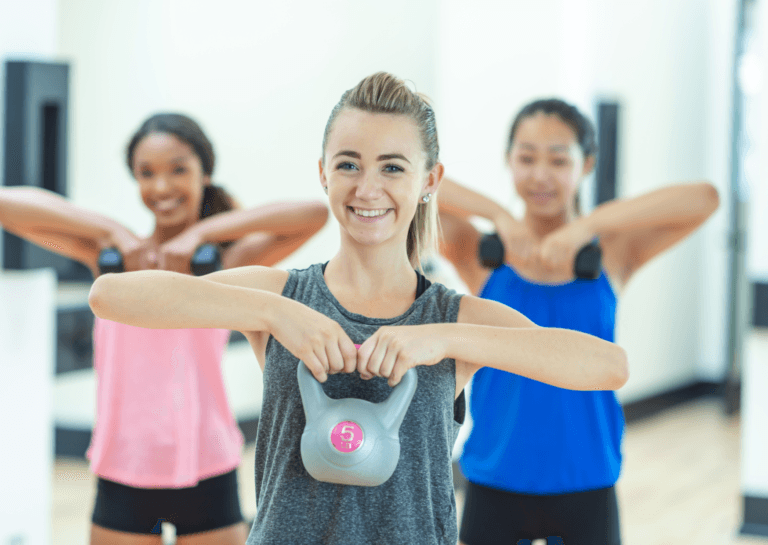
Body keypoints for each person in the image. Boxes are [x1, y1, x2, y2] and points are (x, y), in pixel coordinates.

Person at [87, 75, 629, 545]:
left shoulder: (453, 317)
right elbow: (111, 296)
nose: (367, 188)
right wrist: (276, 315)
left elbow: (607, 367)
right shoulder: (279, 297)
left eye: (393, 168)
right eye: (349, 164)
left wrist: (441, 340)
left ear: (429, 182)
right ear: (324, 172)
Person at [0, 112, 329, 545]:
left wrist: (203, 234)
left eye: (178, 169)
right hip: (124, 465)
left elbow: (313, 214)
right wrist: (112, 231)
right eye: (146, 173)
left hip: (207, 463)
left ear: (204, 172)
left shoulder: (221, 264)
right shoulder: (113, 262)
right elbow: (7, 206)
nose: (161, 187)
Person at [436, 98, 720, 544]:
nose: (540, 174)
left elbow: (705, 198)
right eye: (526, 157)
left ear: (585, 164)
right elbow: (416, 180)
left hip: (586, 481)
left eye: (559, 159)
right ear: (508, 161)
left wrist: (587, 226)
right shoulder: (483, 257)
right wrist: (498, 214)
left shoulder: (612, 254)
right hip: (495, 477)